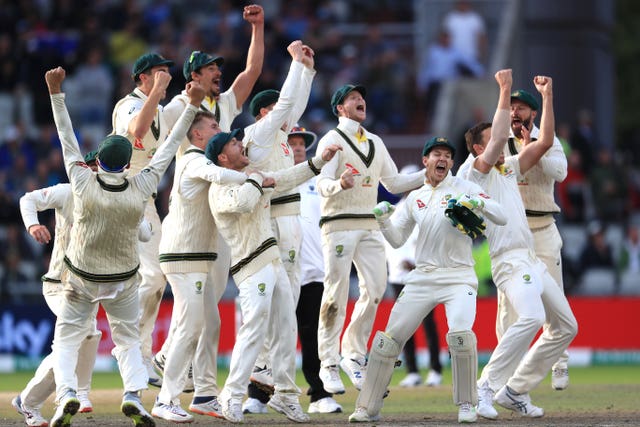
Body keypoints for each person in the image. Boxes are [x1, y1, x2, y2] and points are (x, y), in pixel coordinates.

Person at [44, 65, 204, 427]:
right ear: (129, 163)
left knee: (67, 342)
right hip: (122, 281)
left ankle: (68, 394)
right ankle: (133, 396)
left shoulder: (82, 182)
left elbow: (66, 137)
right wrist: (192, 106)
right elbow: (164, 154)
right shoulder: (141, 186)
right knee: (129, 341)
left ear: (97, 161)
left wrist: (56, 93)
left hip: (81, 278)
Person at [348, 136, 506, 424]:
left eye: (447, 155)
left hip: (459, 277)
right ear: (426, 161)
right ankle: (367, 407)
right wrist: (383, 222)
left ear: (451, 163)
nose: (442, 158)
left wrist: (477, 204)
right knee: (388, 340)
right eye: (436, 154)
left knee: (460, 336)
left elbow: (502, 216)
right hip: (422, 277)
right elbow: (397, 241)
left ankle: (467, 404)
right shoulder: (416, 198)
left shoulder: (465, 187)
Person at [152, 3, 265, 403]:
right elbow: (154, 142)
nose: (220, 71)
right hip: (190, 211)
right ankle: (178, 372)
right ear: (194, 76)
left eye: (219, 67)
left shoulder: (225, 107)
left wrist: (258, 28)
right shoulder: (178, 108)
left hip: (219, 214)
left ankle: (189, 379)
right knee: (200, 309)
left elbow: (250, 73)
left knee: (210, 308)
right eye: (211, 68)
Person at [458, 71, 578, 419]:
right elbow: (497, 136)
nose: (501, 139)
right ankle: (487, 385)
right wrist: (504, 90)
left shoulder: (508, 167)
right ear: (481, 148)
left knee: (567, 327)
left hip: (533, 256)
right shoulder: (475, 173)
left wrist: (549, 97)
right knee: (530, 317)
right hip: (509, 260)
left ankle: (514, 390)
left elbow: (543, 144)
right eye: (492, 138)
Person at [205, 130, 341, 423]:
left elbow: (288, 178)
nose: (240, 144)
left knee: (286, 328)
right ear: (222, 157)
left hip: (274, 261)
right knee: (254, 330)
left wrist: (318, 162)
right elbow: (242, 203)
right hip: (251, 266)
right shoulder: (220, 186)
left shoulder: (251, 178)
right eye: (233, 144)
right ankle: (231, 394)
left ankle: (286, 395)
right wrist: (257, 179)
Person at [314, 83, 426, 394]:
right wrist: (339, 184)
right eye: (352, 98)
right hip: (338, 224)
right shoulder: (332, 139)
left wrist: (427, 174)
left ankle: (353, 354)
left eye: (361, 96)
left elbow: (393, 182)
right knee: (335, 294)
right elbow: (320, 182)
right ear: (340, 108)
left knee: (376, 291)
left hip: (369, 224)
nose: (360, 100)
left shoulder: (375, 141)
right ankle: (328, 363)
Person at [149, 111, 249, 423]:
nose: (221, 129)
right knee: (191, 326)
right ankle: (166, 398)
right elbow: (221, 176)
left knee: (210, 322)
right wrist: (254, 177)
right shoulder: (193, 159)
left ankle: (203, 394)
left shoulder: (204, 161)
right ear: (198, 135)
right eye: (214, 126)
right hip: (183, 255)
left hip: (197, 258)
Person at [241, 40, 316, 410]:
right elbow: (288, 104)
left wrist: (306, 69)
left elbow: (294, 105)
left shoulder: (281, 138)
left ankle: (266, 385)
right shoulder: (259, 135)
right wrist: (294, 64)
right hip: (273, 219)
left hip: (290, 222)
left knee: (285, 309)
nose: (285, 115)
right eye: (274, 110)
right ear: (262, 114)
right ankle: (262, 382)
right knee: (273, 309)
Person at [12, 151, 106, 427]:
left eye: (100, 168)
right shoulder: (66, 192)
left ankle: (27, 401)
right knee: (84, 333)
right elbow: (27, 199)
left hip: (89, 287)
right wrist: (33, 224)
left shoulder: (112, 199)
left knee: (84, 338)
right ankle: (77, 393)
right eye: (91, 168)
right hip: (59, 284)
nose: (95, 174)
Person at [111, 51, 175, 388]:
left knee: (156, 276)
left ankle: (140, 353)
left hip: (144, 198)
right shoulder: (129, 105)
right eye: (158, 72)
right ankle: (134, 352)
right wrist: (155, 94)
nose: (165, 77)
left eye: (167, 72)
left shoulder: (162, 111)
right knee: (151, 275)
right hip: (121, 193)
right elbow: (135, 130)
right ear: (142, 78)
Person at [503, 85, 571, 390]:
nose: (516, 112)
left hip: (543, 228)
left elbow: (560, 173)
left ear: (534, 113)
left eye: (522, 108)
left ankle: (560, 362)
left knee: (554, 297)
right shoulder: (499, 141)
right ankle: (506, 371)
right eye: (513, 107)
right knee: (508, 304)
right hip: (512, 232)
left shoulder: (550, 139)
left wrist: (535, 148)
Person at [292, 125, 343, 413]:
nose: (299, 148)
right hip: (281, 271)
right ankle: (258, 394)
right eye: (293, 143)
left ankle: (320, 394)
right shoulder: (274, 179)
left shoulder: (318, 180)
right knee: (270, 335)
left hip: (314, 271)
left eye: (302, 143)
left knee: (314, 336)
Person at [385, 165, 443, 388]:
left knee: (428, 323)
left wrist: (417, 264)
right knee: (403, 327)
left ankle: (436, 370)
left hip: (421, 275)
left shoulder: (427, 211)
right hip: (398, 277)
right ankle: (412, 371)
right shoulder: (392, 210)